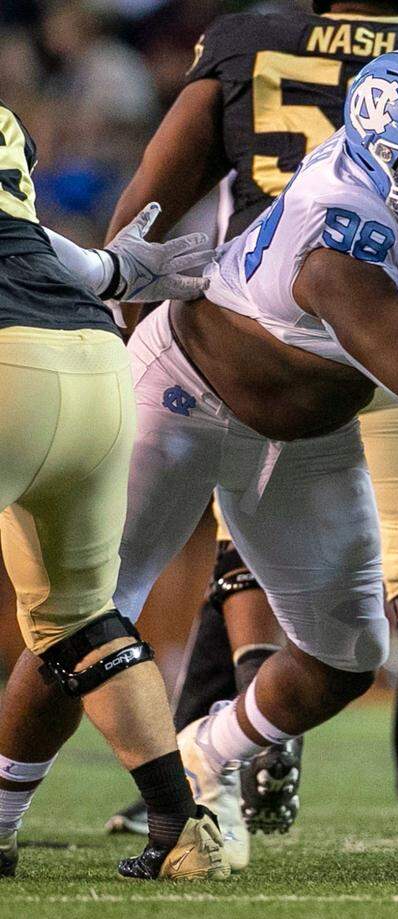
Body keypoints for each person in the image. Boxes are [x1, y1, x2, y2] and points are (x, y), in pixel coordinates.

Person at [0, 50, 398, 874]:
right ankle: (2, 813)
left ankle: (205, 749)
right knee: (81, 622)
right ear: (379, 158)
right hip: (183, 397)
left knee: (348, 655)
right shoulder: (340, 224)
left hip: (304, 435)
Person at [101, 0, 398, 860]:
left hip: (261, 332)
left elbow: (144, 212)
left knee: (246, 544)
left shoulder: (251, 41)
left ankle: (243, 719)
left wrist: (129, 339)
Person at [0, 99, 229, 880]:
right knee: (78, 616)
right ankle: (179, 827)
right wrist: (110, 270)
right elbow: (20, 234)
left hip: (7, 362)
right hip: (95, 356)